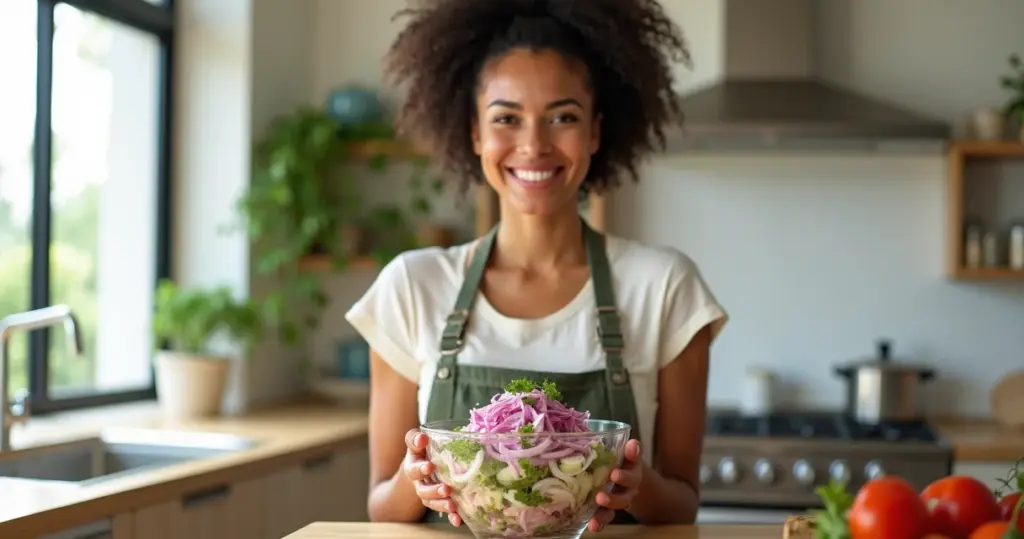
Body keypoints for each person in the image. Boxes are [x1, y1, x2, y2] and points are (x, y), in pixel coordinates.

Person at [345, 0, 729, 532]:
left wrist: (636, 484)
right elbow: (380, 505)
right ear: (475, 133)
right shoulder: (412, 286)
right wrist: (417, 478)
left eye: (563, 117)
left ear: (594, 132)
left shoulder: (664, 287)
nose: (533, 145)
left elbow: (682, 504)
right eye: (507, 118)